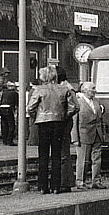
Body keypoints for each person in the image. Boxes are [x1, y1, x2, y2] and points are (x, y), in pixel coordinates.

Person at [27, 65, 78, 194]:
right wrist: (63, 116)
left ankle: (43, 186)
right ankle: (56, 186)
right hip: (59, 123)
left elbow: (30, 108)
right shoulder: (64, 89)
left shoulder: (39, 90)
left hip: (43, 123)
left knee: (43, 155)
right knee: (57, 155)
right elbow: (74, 107)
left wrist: (37, 117)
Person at [73, 82, 106, 189]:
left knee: (97, 159)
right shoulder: (78, 103)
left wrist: (103, 133)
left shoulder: (96, 101)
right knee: (83, 159)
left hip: (97, 134)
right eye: (93, 88)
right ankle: (80, 181)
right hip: (83, 135)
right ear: (85, 90)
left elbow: (100, 119)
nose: (95, 90)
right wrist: (75, 138)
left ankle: (96, 181)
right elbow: (74, 122)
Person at [56, 66, 79, 190]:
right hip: (63, 122)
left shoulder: (67, 89)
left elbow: (75, 106)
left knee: (63, 153)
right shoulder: (66, 87)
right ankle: (64, 181)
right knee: (62, 152)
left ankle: (65, 182)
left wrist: (63, 116)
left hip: (63, 123)